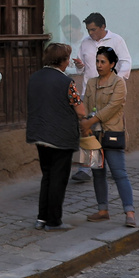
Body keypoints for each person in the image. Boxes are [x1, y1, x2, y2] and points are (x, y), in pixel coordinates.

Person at [63, 13, 131, 182]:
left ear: (102, 27)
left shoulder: (116, 40)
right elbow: (81, 69)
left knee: (109, 128)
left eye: (93, 29)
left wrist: (117, 81)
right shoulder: (85, 42)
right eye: (88, 30)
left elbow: (126, 61)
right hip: (89, 93)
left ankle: (113, 164)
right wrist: (79, 66)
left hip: (109, 93)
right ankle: (85, 169)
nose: (91, 33)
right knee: (87, 129)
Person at [25, 42, 84, 230]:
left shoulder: (34, 78)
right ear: (63, 61)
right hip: (60, 137)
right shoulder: (66, 82)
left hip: (39, 135)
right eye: (67, 58)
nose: (68, 62)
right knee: (58, 179)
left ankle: (41, 218)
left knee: (47, 176)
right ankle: (53, 221)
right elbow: (80, 110)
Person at [83, 46, 135, 228]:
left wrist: (92, 120)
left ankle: (129, 212)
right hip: (93, 136)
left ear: (112, 64)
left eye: (103, 62)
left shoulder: (119, 83)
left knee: (119, 173)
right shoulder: (91, 83)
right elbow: (86, 105)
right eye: (97, 61)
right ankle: (102, 210)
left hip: (112, 134)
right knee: (98, 173)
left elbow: (113, 107)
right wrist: (86, 123)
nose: (99, 65)